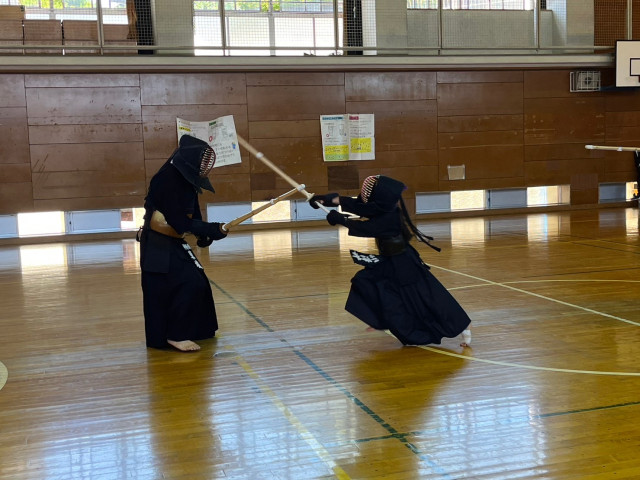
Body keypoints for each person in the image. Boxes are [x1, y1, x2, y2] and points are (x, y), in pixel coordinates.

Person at [310, 175, 472, 347]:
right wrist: (328, 200)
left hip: (403, 263)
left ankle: (463, 325)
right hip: (389, 260)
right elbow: (359, 206)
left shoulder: (389, 217)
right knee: (366, 283)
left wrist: (340, 219)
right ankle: (383, 321)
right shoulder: (383, 208)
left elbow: (365, 228)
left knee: (427, 296)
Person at [138, 134, 227, 352]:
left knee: (199, 282)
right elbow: (178, 221)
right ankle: (175, 335)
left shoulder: (188, 180)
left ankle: (199, 330)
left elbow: (192, 212)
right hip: (157, 244)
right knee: (185, 284)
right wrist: (211, 229)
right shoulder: (166, 179)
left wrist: (204, 235)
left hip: (174, 240)